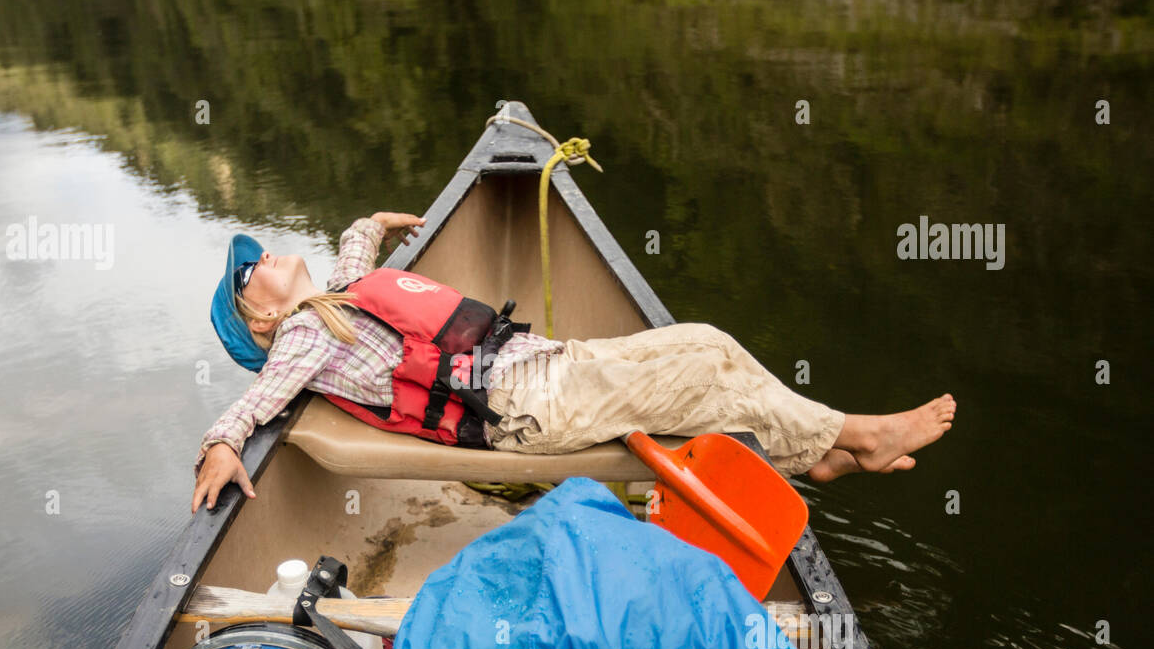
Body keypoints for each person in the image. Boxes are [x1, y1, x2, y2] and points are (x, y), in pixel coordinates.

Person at [192, 213, 956, 513]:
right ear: (260, 316)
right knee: (707, 350)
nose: (262, 257)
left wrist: (376, 223)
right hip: (529, 406)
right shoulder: (301, 336)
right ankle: (850, 434)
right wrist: (224, 443)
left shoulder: (335, 300)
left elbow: (354, 252)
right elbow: (258, 400)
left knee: (712, 363)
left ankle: (819, 453)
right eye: (248, 270)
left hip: (542, 370)